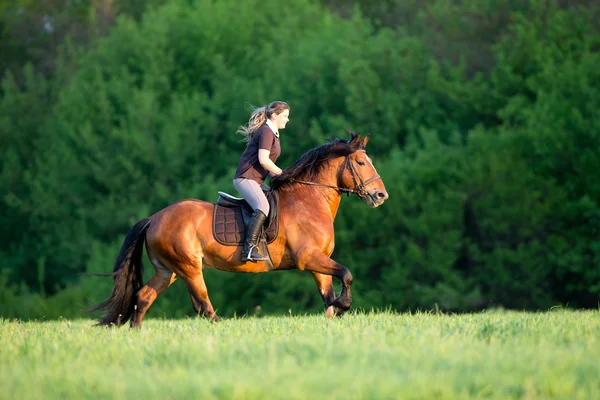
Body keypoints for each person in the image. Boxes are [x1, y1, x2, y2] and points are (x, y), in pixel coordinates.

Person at [234, 101, 290, 262]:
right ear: (274, 115)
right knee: (263, 206)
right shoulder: (266, 132)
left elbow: (265, 166)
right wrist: (282, 173)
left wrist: (282, 179)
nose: (287, 120)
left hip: (256, 180)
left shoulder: (272, 134)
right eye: (285, 116)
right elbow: (264, 160)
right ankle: (249, 249)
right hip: (245, 178)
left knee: (275, 201)